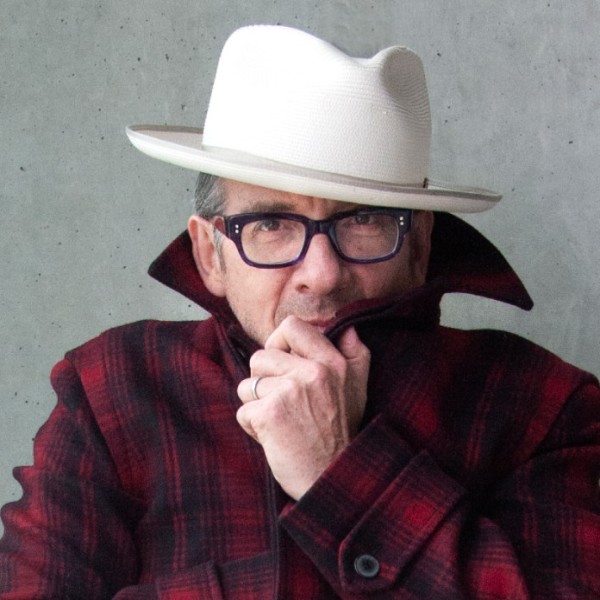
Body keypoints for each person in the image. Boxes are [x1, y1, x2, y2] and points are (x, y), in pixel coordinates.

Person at [0, 24, 599, 599]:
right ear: (210, 254)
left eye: (363, 220)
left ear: (419, 246)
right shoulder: (111, 392)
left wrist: (338, 470)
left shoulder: (541, 406)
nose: (322, 273)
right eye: (270, 223)